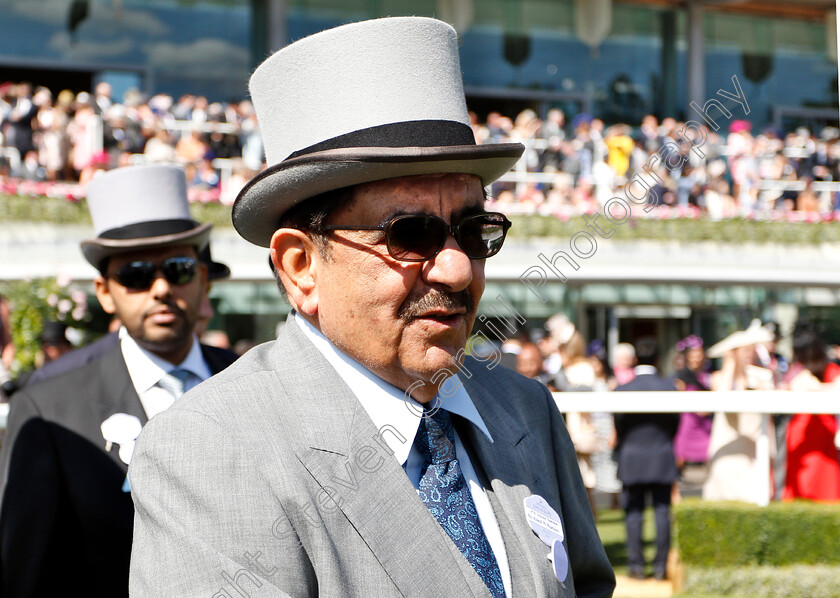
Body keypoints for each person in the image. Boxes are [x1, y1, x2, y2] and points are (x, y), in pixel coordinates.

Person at [129, 17, 615, 598]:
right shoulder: (210, 452)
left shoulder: (524, 408)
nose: (458, 267)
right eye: (409, 235)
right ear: (300, 266)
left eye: (473, 230)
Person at [0, 164, 239, 598]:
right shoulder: (50, 409)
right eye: (136, 275)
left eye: (179, 268)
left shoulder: (252, 381)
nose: (161, 288)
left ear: (203, 280)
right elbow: (25, 572)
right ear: (104, 292)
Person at [614, 337, 680, 581]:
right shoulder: (670, 388)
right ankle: (661, 568)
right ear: (658, 359)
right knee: (662, 512)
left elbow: (618, 424)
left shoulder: (621, 390)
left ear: (634, 361)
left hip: (632, 456)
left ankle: (636, 567)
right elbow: (675, 424)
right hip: (662, 454)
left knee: (633, 513)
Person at [702, 321, 775, 504]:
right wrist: (730, 362)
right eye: (744, 351)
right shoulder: (719, 377)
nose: (749, 355)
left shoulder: (761, 377)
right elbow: (723, 396)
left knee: (752, 494)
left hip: (752, 444)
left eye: (751, 350)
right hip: (727, 442)